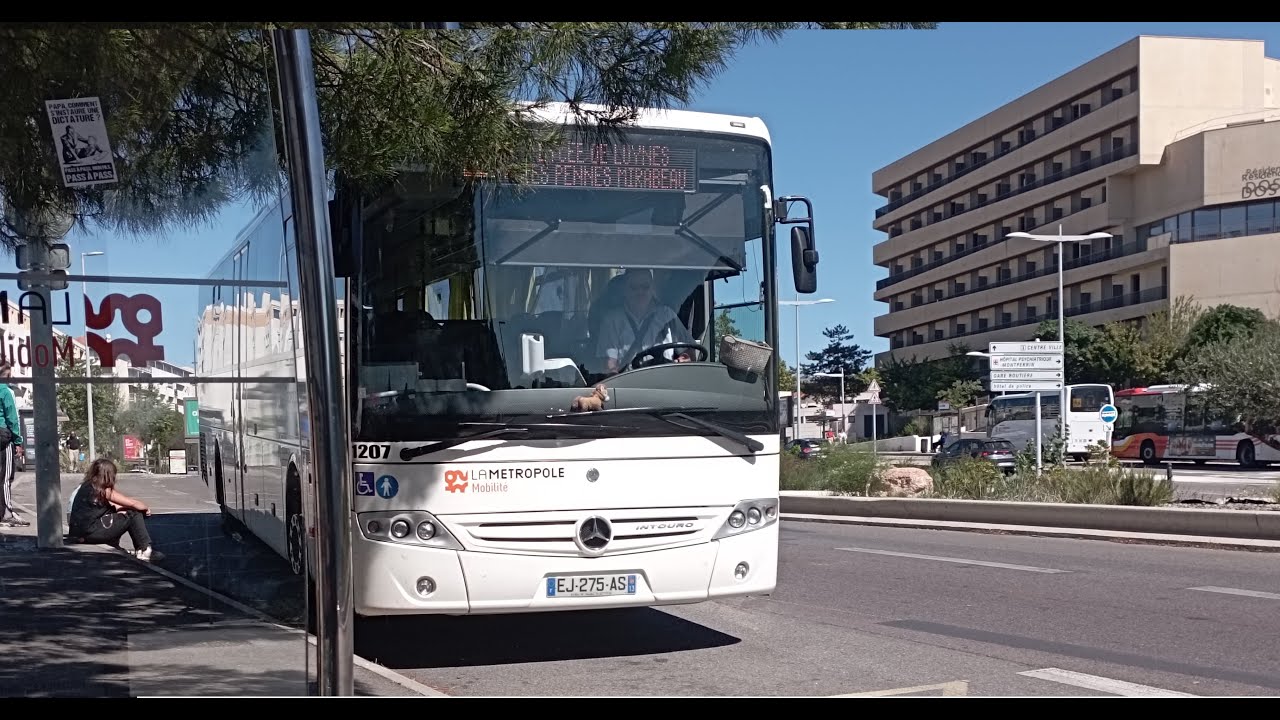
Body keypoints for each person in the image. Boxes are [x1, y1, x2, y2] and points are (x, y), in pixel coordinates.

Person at [595, 269, 696, 373]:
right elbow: (608, 367)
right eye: (634, 287)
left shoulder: (667, 316)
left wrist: (682, 360)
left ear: (652, 289)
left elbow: (689, 353)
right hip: (629, 385)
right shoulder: (612, 321)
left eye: (645, 287)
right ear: (625, 291)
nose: (640, 292)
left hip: (667, 383)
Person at [68, 458, 162, 561]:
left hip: (79, 533)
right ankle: (144, 550)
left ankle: (114, 545)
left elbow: (113, 507)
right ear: (109, 475)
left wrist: (122, 510)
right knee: (133, 514)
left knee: (114, 513)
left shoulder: (87, 486)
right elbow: (134, 504)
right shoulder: (103, 491)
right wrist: (145, 508)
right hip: (89, 533)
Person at [0, 358, 26, 527]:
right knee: (5, 476)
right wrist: (18, 441)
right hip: (3, 435)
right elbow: (12, 418)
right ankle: (7, 510)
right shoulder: (5, 391)